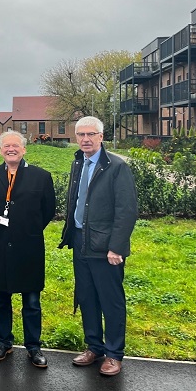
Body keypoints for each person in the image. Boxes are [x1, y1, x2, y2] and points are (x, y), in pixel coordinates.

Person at [59, 116, 137, 376]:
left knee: (110, 300)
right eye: (81, 134)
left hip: (105, 247)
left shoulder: (115, 167)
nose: (85, 139)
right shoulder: (78, 163)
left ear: (101, 137)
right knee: (87, 297)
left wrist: (116, 247)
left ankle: (114, 354)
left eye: (91, 134)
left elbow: (126, 211)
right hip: (80, 241)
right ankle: (94, 346)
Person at [0, 131, 55, 368]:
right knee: (1, 298)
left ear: (24, 149)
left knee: (31, 300)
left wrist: (27, 229)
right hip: (0, 246)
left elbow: (48, 210)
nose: (11, 149)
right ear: (0, 150)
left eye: (16, 146)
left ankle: (34, 346)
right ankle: (4, 342)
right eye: (6, 146)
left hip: (29, 246)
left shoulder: (41, 177)